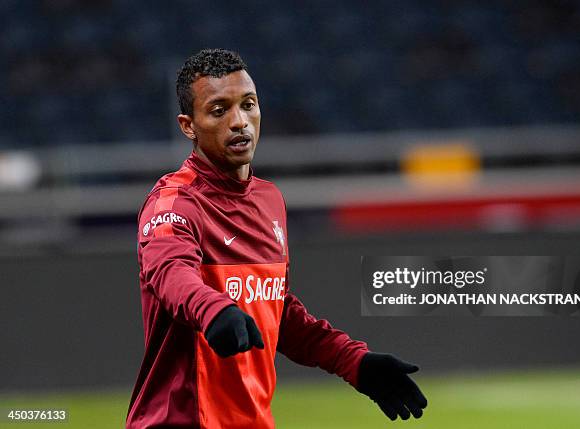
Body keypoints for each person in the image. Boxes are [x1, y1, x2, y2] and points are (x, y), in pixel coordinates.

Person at [126, 48, 427, 429]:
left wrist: (355, 363)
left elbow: (274, 312)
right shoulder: (173, 202)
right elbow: (170, 273)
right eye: (219, 110)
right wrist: (214, 309)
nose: (240, 122)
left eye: (248, 105)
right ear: (189, 126)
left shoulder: (269, 200)